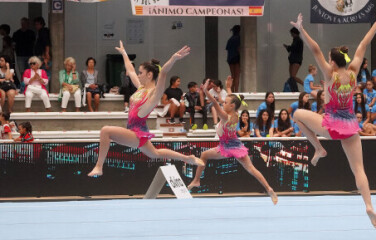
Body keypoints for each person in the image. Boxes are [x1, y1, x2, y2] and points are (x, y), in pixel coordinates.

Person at [289, 12, 376, 228]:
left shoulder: (329, 75)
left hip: (331, 125)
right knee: (358, 170)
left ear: (332, 62)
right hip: (351, 126)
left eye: (328, 59)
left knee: (297, 115)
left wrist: (301, 29)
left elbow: (314, 49)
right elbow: (364, 42)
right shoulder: (353, 72)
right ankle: (369, 206)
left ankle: (318, 148)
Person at [88, 41, 204, 177]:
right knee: (155, 153)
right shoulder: (141, 88)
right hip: (136, 130)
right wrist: (124, 53)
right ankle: (187, 158)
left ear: (149, 75)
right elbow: (130, 70)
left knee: (106, 131)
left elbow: (163, 73)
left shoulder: (153, 94)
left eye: (141, 72)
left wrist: (173, 59)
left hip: (137, 133)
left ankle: (99, 166)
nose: (138, 75)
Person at [187, 79, 278, 205]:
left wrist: (205, 91)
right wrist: (229, 88)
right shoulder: (235, 113)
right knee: (251, 169)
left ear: (232, 106)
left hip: (226, 146)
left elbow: (214, 102)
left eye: (225, 102)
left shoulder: (225, 117)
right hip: (236, 144)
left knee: (204, 155)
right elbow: (234, 100)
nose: (223, 103)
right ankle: (269, 188)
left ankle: (197, 180)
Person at [12, 17, 35, 82]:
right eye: (23, 23)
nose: (24, 25)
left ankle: (29, 84)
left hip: (29, 55)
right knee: (22, 72)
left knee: (30, 72)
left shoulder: (31, 33)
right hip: (20, 55)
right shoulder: (17, 33)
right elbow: (13, 44)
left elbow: (34, 44)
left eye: (26, 23)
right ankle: (23, 85)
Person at [226, 25, 241, 92]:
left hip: (230, 58)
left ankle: (231, 90)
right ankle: (236, 91)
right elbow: (239, 49)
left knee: (233, 75)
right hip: (237, 57)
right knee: (237, 76)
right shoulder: (239, 38)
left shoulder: (230, 39)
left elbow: (227, 48)